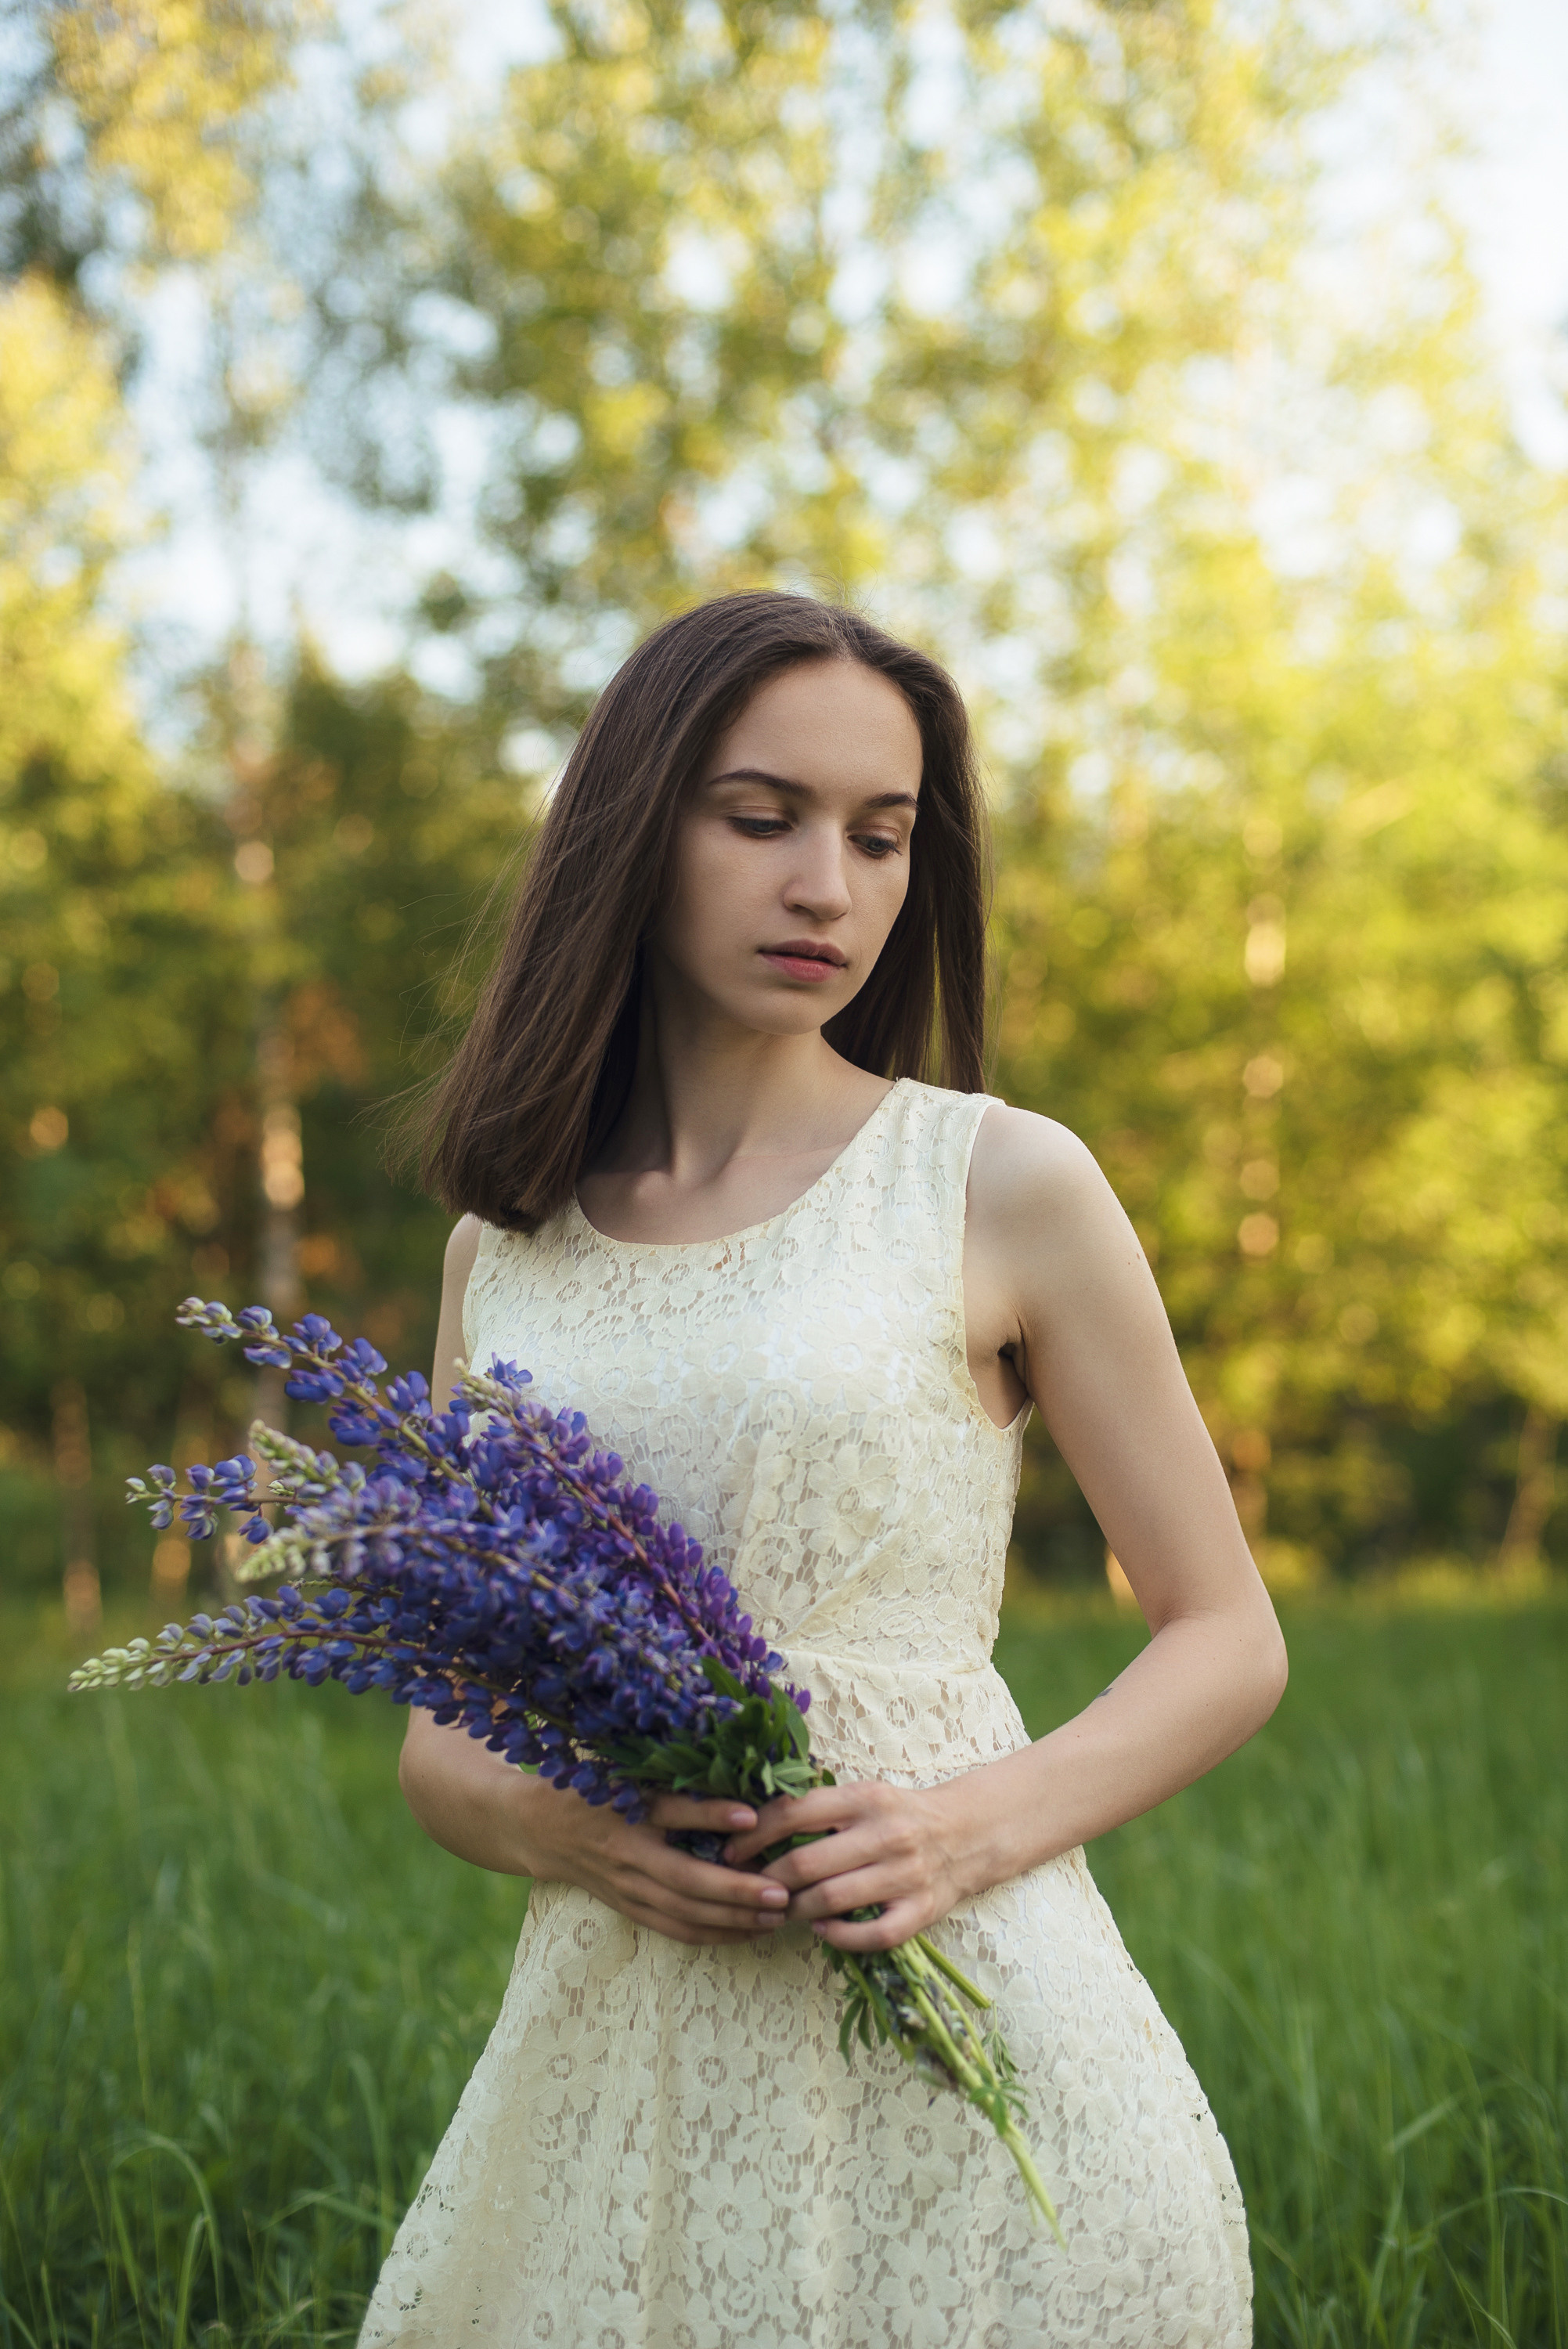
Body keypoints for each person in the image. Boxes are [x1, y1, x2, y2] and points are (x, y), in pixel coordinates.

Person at [359, 590, 1286, 2348]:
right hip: (625, 2085)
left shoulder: (1001, 1183)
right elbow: (437, 1740)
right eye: (762, 817)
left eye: (880, 837)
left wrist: (958, 1831)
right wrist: (579, 1829)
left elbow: (1227, 1634)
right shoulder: (508, 1246)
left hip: (990, 2040)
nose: (829, 890)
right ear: (639, 826)